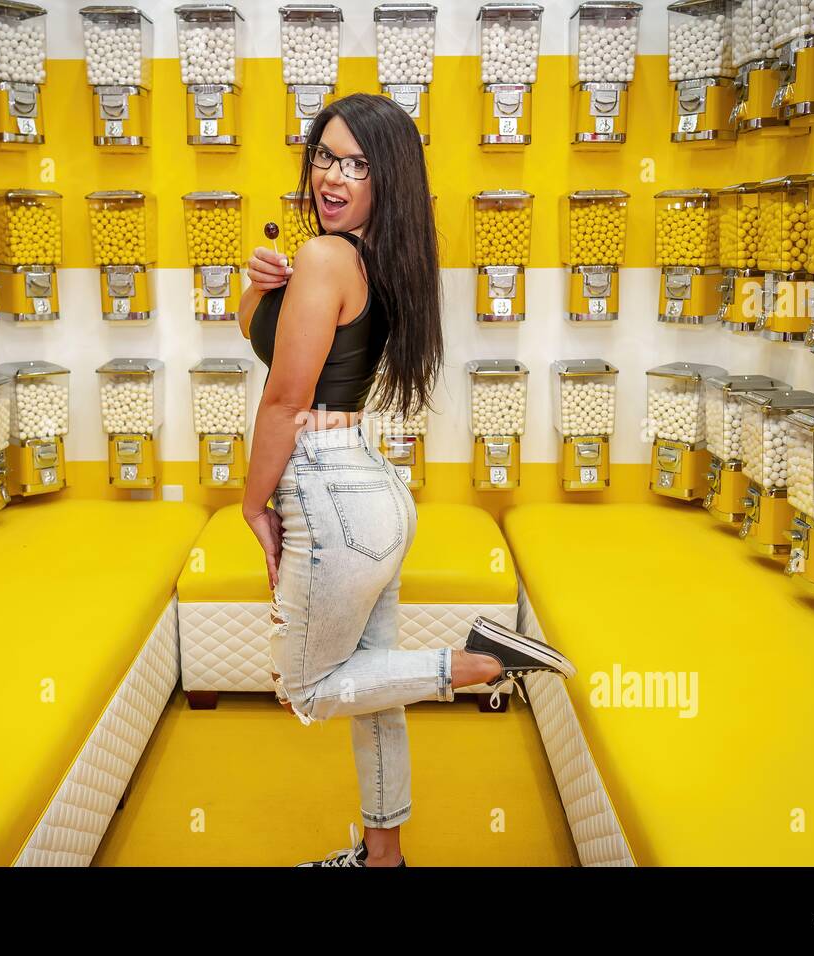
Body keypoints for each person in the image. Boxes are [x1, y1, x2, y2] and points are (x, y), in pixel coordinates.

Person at [238, 93, 573, 868]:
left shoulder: (329, 258)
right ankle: (383, 857)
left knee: (310, 689)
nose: (333, 175)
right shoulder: (367, 258)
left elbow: (286, 399)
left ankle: (479, 664)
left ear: (385, 178)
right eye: (325, 155)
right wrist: (258, 285)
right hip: (371, 490)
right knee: (373, 696)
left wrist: (251, 502)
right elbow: (273, 345)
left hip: (327, 494)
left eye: (357, 164)